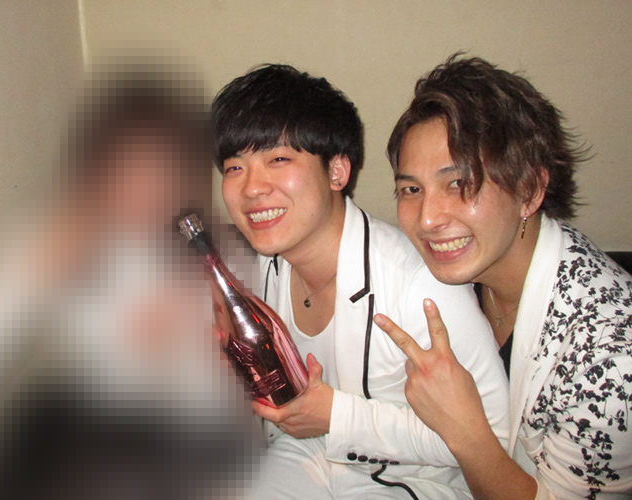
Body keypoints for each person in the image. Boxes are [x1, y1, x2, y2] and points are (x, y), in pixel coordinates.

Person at [0, 59, 253, 500]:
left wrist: (177, 353)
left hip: (189, 436)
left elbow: (230, 411)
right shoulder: (55, 234)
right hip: (85, 422)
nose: (147, 186)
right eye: (125, 165)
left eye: (165, 167)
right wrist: (25, 277)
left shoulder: (221, 252)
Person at [212, 63, 510, 499]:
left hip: (420, 476)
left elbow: (495, 438)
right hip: (309, 452)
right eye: (234, 167)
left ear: (337, 171)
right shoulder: (261, 269)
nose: (252, 188)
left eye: (277, 159)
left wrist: (337, 416)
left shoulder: (418, 284)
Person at [377, 54, 632, 500]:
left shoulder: (611, 355)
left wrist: (465, 432)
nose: (428, 219)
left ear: (529, 190)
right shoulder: (465, 273)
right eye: (411, 189)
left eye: (459, 183)